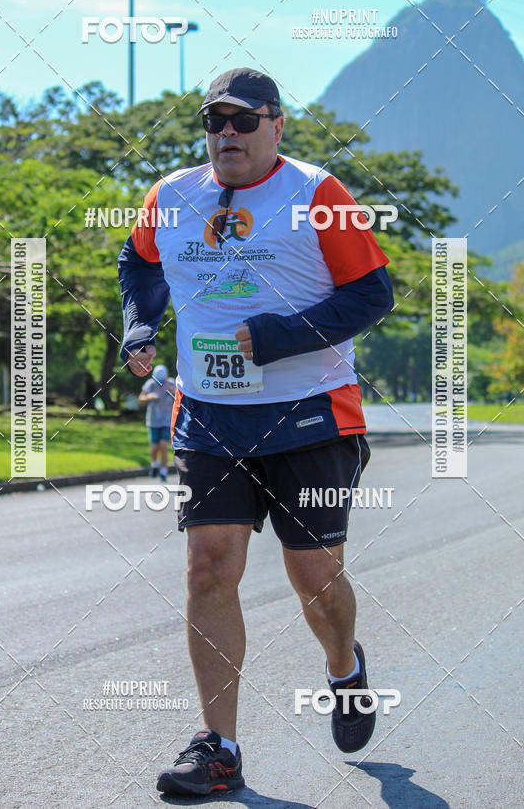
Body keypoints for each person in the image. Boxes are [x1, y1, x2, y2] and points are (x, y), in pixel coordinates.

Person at [117, 67, 393, 797]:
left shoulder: (317, 194)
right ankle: (221, 747)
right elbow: (138, 263)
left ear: (277, 124)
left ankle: (345, 668)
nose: (228, 134)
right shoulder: (169, 198)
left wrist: (282, 335)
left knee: (314, 576)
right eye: (215, 120)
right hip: (209, 415)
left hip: (309, 414)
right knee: (208, 567)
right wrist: (141, 324)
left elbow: (373, 292)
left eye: (244, 119)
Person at [138, 364, 175, 480]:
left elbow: (181, 399)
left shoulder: (172, 384)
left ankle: (163, 471)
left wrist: (173, 392)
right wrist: (149, 397)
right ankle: (154, 464)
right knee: (154, 447)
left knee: (163, 445)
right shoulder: (150, 384)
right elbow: (140, 400)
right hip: (153, 420)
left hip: (167, 421)